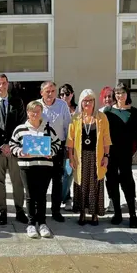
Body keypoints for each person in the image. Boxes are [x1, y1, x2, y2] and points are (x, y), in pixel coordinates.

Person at [10, 100, 62, 238]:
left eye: (38, 111)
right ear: (27, 113)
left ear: (41, 113)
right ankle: (31, 224)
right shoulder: (20, 129)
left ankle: (42, 223)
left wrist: (51, 151)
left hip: (45, 166)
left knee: (42, 196)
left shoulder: (48, 129)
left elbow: (57, 143)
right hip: (27, 167)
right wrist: (20, 151)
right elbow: (12, 144)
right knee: (30, 196)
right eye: (32, 111)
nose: (35, 114)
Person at [0, 73, 28, 226]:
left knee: (17, 181)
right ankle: (3, 211)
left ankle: (19, 211)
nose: (0, 86)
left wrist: (11, 144)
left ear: (7, 84)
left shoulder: (18, 102)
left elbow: (22, 125)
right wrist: (1, 145)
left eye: (3, 83)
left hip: (14, 149)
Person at [67, 89, 111, 226]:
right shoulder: (75, 118)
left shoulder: (101, 117)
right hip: (80, 156)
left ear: (94, 102)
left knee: (95, 184)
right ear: (81, 102)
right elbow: (70, 140)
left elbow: (106, 138)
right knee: (81, 184)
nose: (88, 103)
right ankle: (81, 213)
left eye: (90, 100)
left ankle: (94, 214)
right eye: (85, 100)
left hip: (96, 156)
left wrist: (106, 156)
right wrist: (71, 157)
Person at [104, 83, 137, 227]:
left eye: (123, 93)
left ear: (127, 94)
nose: (120, 96)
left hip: (126, 154)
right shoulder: (108, 111)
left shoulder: (134, 112)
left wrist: (134, 150)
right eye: (118, 93)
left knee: (128, 183)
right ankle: (117, 213)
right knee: (112, 182)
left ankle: (132, 214)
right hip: (111, 153)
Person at [39, 81, 72, 222]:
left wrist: (67, 147)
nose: (50, 94)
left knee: (57, 181)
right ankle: (39, 210)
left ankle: (56, 210)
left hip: (58, 147)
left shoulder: (62, 105)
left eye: (53, 91)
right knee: (41, 181)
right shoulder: (36, 105)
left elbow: (68, 126)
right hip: (41, 148)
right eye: (47, 91)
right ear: (41, 93)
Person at [58, 83, 77, 211]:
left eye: (67, 93)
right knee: (63, 173)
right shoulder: (58, 108)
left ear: (72, 94)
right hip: (61, 145)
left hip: (76, 146)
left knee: (70, 173)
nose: (65, 96)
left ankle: (64, 197)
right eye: (62, 94)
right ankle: (66, 197)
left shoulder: (78, 109)